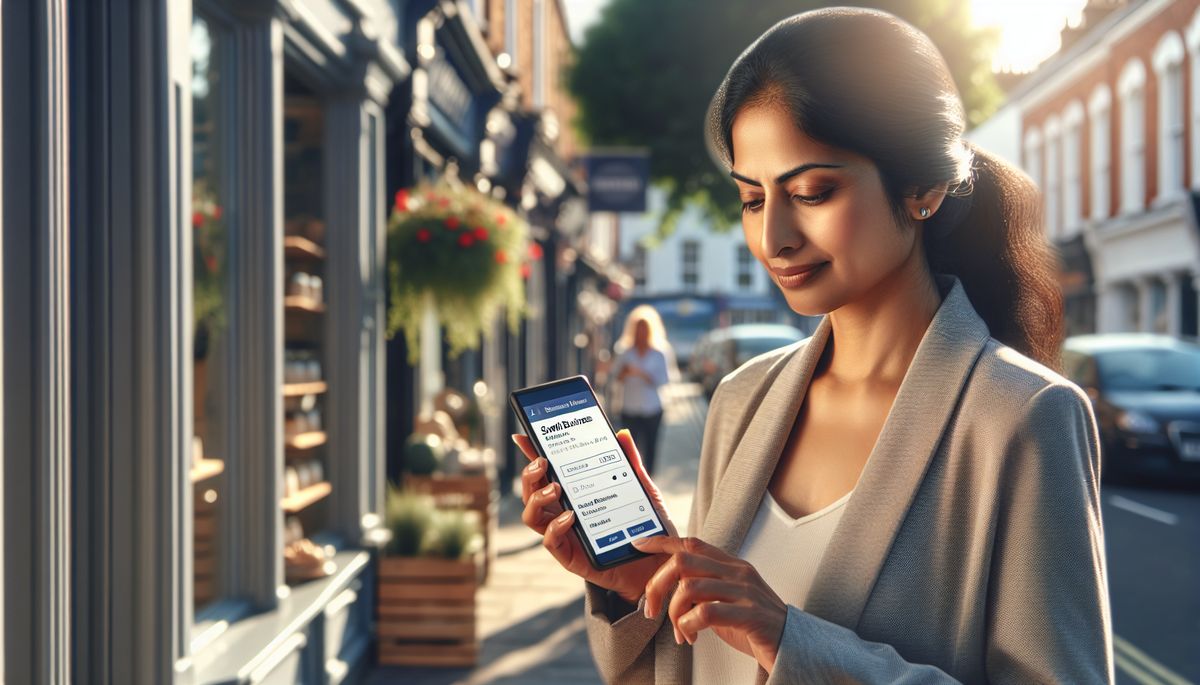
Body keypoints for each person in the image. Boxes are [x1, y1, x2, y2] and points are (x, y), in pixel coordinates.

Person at [513, 7, 1113, 683]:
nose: (775, 238)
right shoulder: (742, 401)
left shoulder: (1024, 417)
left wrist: (786, 637)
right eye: (751, 198)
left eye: (811, 191)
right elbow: (692, 669)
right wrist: (639, 586)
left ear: (923, 188)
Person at [613, 305, 675, 475]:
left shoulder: (659, 353)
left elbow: (665, 380)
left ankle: (650, 481)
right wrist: (624, 373)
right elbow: (615, 378)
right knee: (630, 450)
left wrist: (643, 375)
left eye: (644, 328)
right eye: (638, 328)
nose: (641, 332)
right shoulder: (624, 351)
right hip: (629, 407)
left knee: (651, 448)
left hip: (652, 408)